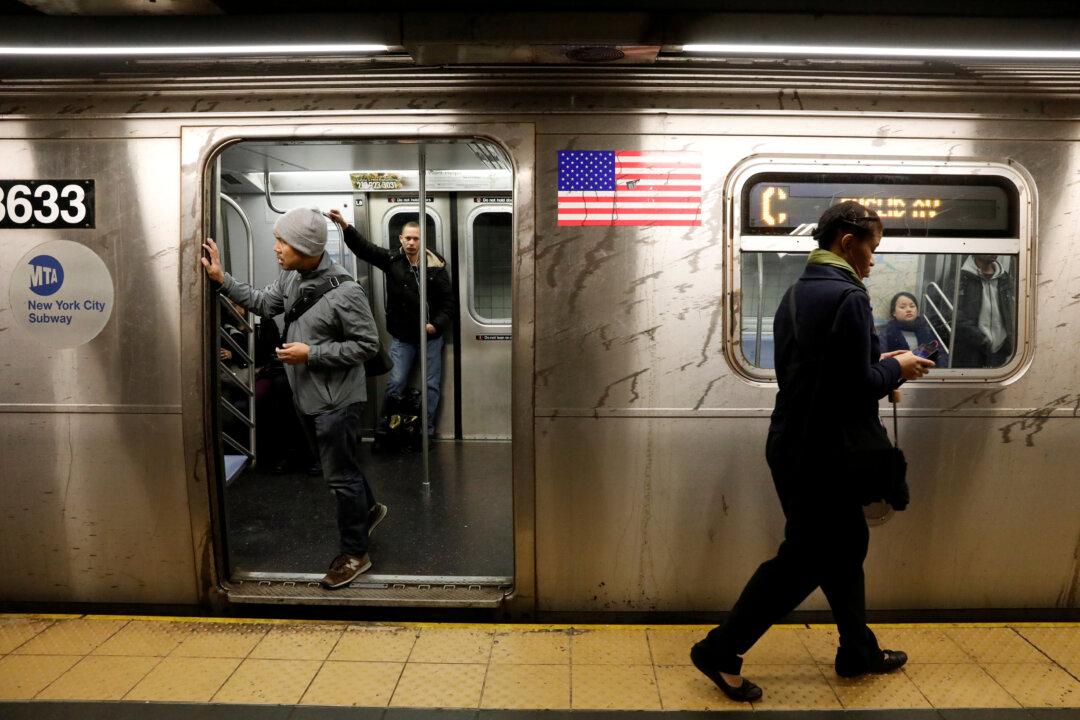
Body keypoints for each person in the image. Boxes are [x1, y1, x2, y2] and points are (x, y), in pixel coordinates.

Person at [691, 201, 935, 702]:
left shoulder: (799, 292)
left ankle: (857, 650)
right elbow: (852, 388)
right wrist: (897, 369)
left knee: (844, 546)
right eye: (872, 248)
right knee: (805, 559)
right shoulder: (849, 296)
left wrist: (878, 359)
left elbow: (820, 370)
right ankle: (720, 650)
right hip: (826, 451)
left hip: (797, 441)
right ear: (848, 243)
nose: (874, 260)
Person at [202, 207, 388, 590]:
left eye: (282, 242)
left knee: (340, 477)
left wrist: (312, 354)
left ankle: (356, 553)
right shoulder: (291, 278)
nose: (276, 248)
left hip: (337, 401)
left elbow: (368, 345)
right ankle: (368, 509)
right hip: (309, 395)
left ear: (305, 247)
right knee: (343, 464)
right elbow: (262, 302)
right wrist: (222, 279)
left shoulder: (346, 292)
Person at [328, 209, 455, 436]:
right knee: (396, 382)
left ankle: (425, 431)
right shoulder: (392, 260)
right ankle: (387, 430)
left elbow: (448, 302)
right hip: (403, 337)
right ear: (401, 239)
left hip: (430, 336)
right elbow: (365, 249)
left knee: (431, 385)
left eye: (416, 239)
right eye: (408, 238)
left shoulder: (435, 266)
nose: (412, 243)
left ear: (422, 241)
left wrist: (435, 325)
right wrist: (345, 226)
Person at [952, 254, 1015, 368]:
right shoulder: (961, 277)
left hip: (1001, 348)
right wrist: (980, 338)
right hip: (972, 348)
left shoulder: (1004, 278)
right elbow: (955, 314)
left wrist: (1010, 339)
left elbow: (1012, 310)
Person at [881, 291, 950, 367]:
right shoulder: (887, 333)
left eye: (912, 306)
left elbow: (941, 355)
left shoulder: (927, 329)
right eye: (903, 307)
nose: (909, 310)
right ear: (894, 312)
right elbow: (882, 358)